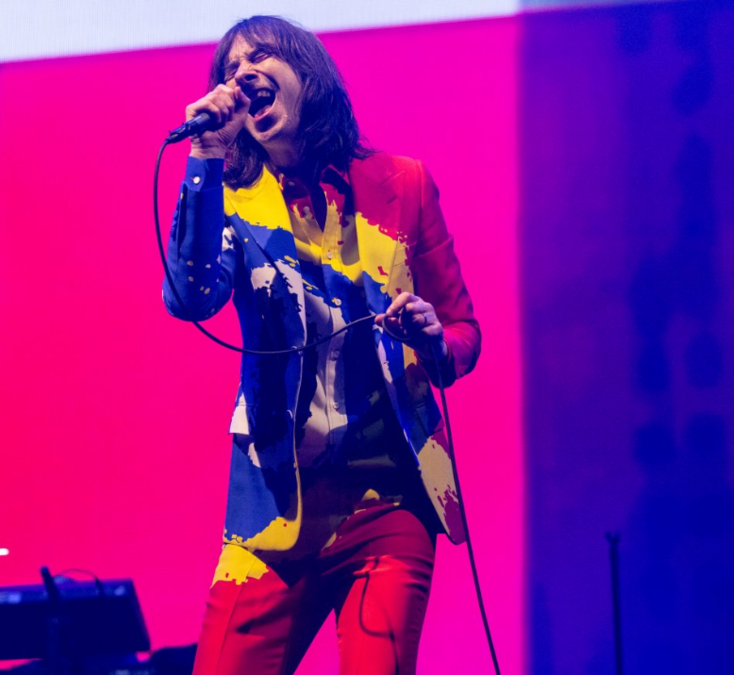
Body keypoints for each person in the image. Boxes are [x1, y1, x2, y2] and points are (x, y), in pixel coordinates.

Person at [162, 15, 481, 675]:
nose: (241, 73)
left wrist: (431, 338)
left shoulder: (403, 183)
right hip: (275, 505)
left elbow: (464, 333)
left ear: (307, 71)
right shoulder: (231, 194)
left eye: (260, 56)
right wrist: (203, 159)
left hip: (389, 500)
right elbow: (191, 298)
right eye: (229, 68)